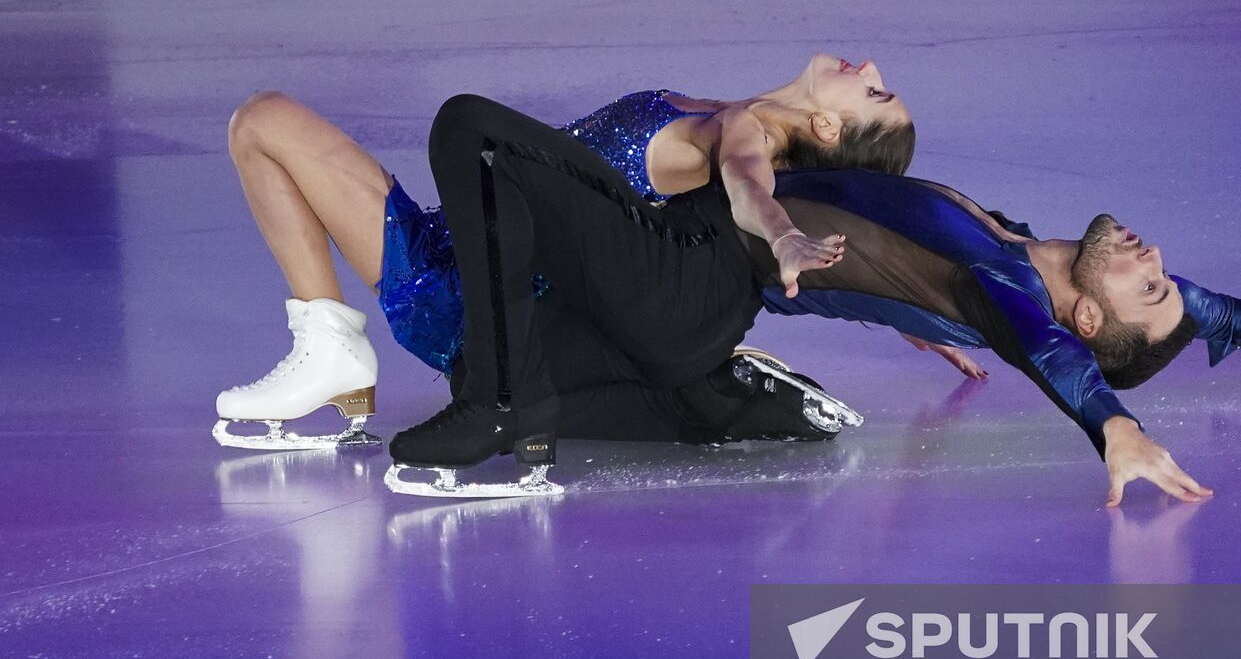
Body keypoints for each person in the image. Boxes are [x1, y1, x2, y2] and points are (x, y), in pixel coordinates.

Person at [392, 95, 1241, 505]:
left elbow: (1046, 355)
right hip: (687, 309)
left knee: (474, 134)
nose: (1154, 256)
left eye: (1146, 286)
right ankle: (704, 394)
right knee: (496, 328)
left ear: (1088, 318)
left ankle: (503, 407)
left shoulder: (1010, 285)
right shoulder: (1010, 238)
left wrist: (1114, 428)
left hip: (685, 280)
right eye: (1164, 273)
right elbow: (1163, 308)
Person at [214, 54, 917, 449]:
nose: (870, 66)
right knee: (261, 119)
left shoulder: (742, 135)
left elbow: (749, 188)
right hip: (455, 234)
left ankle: (345, 357)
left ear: (826, 126)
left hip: (466, 297)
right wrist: (900, 302)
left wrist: (788, 236)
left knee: (270, 122)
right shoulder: (729, 110)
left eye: (875, 91)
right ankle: (328, 340)